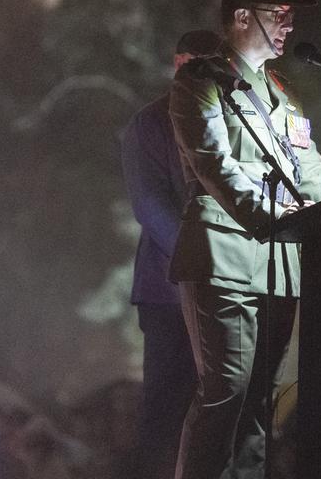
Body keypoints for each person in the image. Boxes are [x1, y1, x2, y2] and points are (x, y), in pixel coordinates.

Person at [169, 0, 321, 479]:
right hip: (225, 255)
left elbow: (310, 168)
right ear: (243, 17)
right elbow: (214, 165)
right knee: (227, 391)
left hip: (281, 264)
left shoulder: (281, 94)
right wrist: (278, 217)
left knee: (260, 404)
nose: (290, 25)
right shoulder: (199, 83)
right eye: (280, 14)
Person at [122, 29, 224, 479]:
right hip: (169, 291)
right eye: (192, 64)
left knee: (221, 411)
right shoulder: (150, 123)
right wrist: (200, 258)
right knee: (165, 409)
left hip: (225, 287)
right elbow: (148, 205)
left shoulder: (229, 120)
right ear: (178, 65)